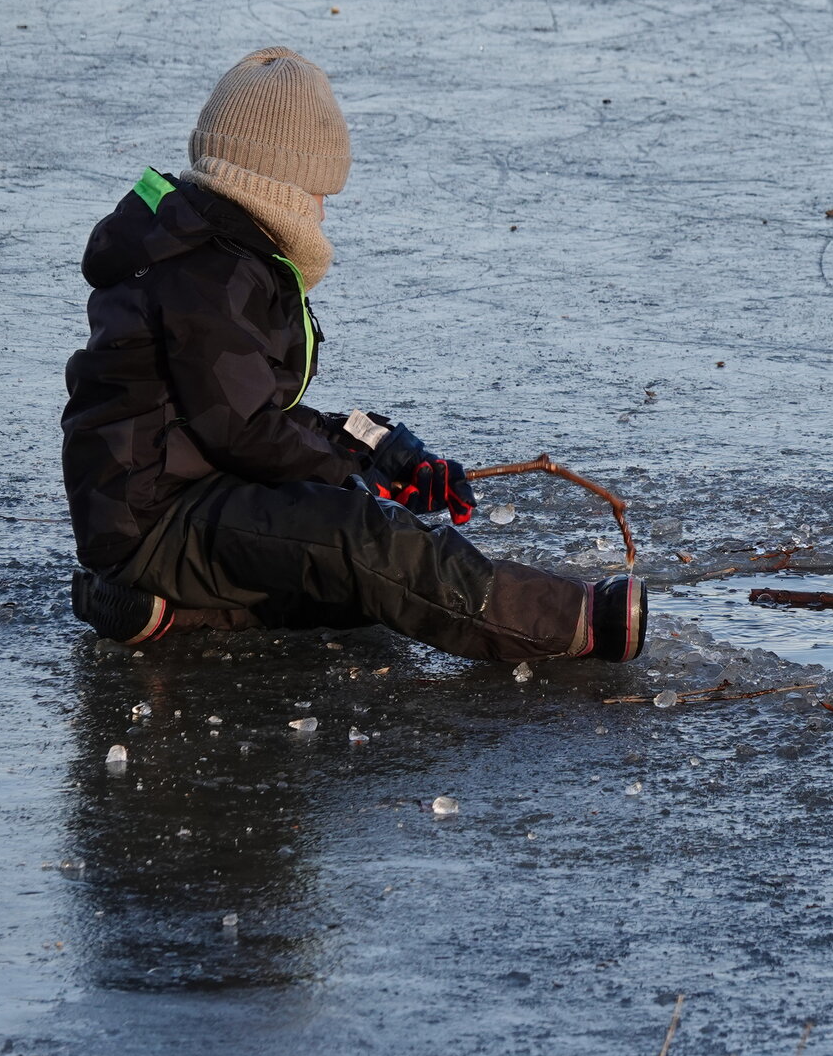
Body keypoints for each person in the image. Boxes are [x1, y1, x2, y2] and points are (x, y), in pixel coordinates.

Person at [60, 47, 644, 663]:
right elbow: (244, 429)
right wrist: (354, 485)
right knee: (360, 543)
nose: (322, 211)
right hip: (160, 520)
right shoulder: (209, 273)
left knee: (356, 583)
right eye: (320, 194)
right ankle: (574, 623)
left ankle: (165, 611)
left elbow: (253, 409)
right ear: (284, 182)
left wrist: (385, 453)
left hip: (182, 497)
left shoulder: (216, 254)